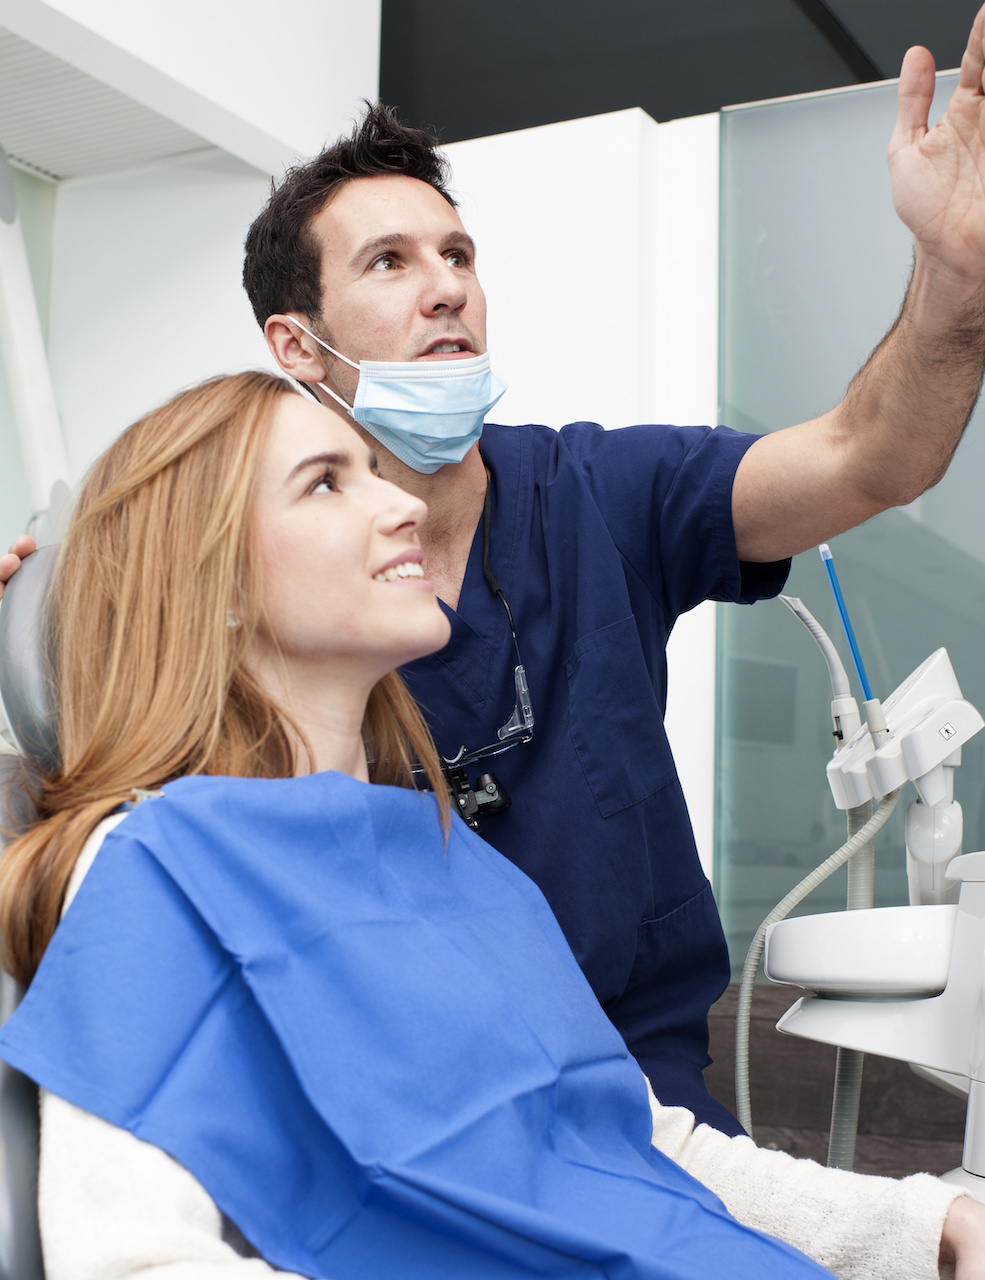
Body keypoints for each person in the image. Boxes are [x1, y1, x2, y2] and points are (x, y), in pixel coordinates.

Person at [6, 10, 985, 1138]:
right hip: (406, 1097)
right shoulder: (255, 573)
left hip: (640, 1089)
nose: (447, 289)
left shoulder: (600, 491)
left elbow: (874, 454)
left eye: (457, 254)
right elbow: (99, 714)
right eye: (389, 262)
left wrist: (954, 283)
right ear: (295, 345)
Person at [0, 370, 983, 1279]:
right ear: (207, 586)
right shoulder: (155, 868)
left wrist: (923, 1225)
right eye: (327, 484)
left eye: (375, 472)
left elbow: (640, 1151)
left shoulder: (458, 865)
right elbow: (133, 1260)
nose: (400, 504)